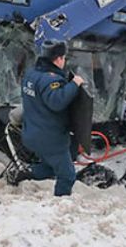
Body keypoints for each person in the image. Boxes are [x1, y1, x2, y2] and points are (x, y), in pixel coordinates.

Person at [8, 40, 85, 196]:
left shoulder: (31, 74)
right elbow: (57, 102)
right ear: (58, 59)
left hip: (32, 134)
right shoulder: (51, 80)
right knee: (67, 175)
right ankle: (59, 206)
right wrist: (74, 84)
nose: (64, 61)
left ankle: (24, 172)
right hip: (51, 139)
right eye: (64, 58)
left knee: (50, 167)